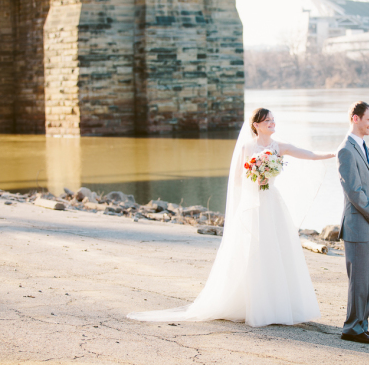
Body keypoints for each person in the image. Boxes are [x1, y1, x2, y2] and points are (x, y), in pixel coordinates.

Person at [128, 108, 335, 327]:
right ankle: (253, 305)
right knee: (254, 250)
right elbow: (237, 179)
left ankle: (279, 305)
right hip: (253, 203)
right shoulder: (247, 147)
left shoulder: (279, 146)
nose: (272, 123)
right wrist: (256, 176)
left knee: (277, 248)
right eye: (268, 121)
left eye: (273, 120)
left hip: (273, 203)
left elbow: (309, 154)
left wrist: (332, 153)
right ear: (256, 125)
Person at [336, 101, 369, 344]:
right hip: (359, 227)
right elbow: (355, 192)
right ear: (355, 119)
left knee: (368, 280)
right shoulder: (346, 150)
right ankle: (351, 328)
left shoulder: (364, 147)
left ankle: (362, 325)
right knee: (358, 282)